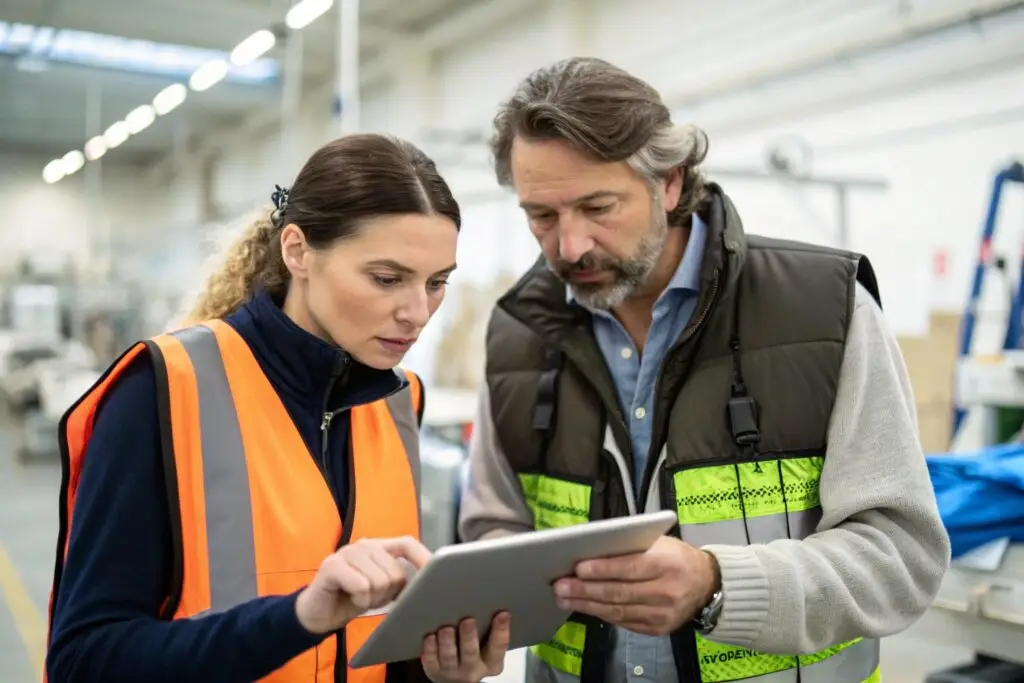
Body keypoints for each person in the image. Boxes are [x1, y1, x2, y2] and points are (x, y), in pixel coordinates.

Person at [458, 57, 950, 683]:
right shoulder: (519, 334)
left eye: (598, 207)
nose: (570, 246)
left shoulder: (825, 310)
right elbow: (493, 527)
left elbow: (901, 559)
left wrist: (717, 585)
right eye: (542, 216)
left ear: (668, 183)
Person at [46, 134, 510, 683]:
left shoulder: (399, 402)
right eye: (387, 279)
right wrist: (296, 618)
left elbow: (369, 651)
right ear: (298, 251)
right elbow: (84, 660)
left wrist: (439, 670)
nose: (418, 312)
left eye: (437, 283)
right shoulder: (162, 389)